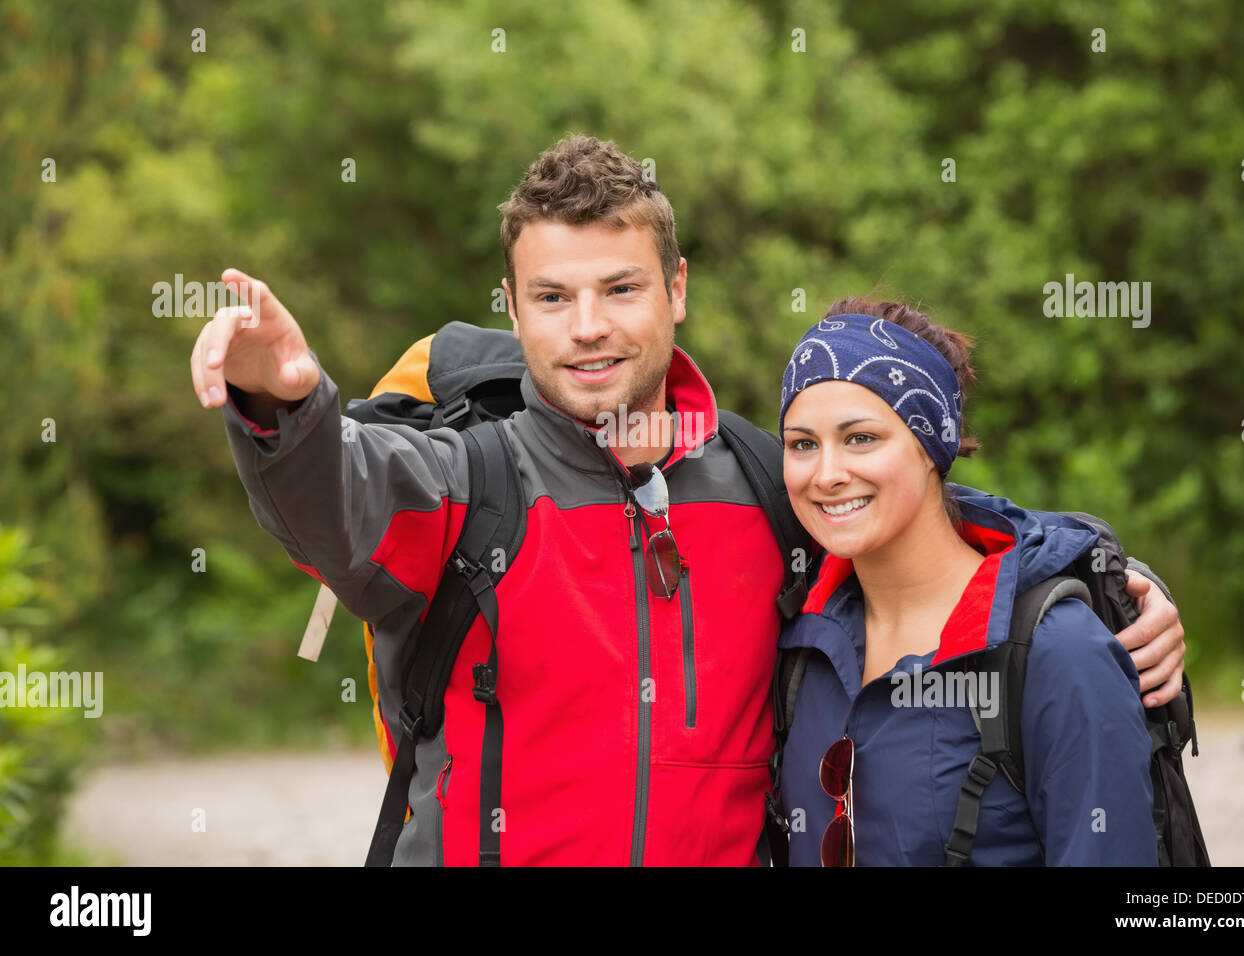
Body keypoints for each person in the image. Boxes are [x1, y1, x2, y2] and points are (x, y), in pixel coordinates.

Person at [187, 134, 1184, 866]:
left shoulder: (767, 479)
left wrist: (1096, 574)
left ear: (677, 288)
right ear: (512, 302)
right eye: (551, 296)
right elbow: (336, 500)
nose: (587, 328)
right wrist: (285, 399)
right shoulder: (464, 482)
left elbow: (914, 516)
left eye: (620, 289)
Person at [777, 300, 1158, 865]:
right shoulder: (798, 643)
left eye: (861, 438)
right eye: (802, 444)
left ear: (933, 447)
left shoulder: (1058, 652)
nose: (827, 474)